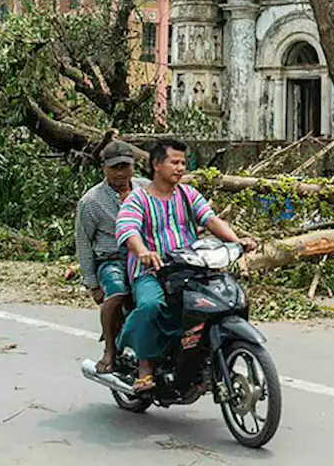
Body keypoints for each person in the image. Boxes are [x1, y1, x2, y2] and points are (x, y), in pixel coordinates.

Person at [115, 139, 254, 393]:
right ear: (157, 165)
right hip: (152, 271)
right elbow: (127, 229)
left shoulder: (188, 194)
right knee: (151, 305)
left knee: (224, 300)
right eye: (174, 162)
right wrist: (143, 251)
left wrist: (238, 242)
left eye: (183, 163)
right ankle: (144, 367)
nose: (180, 168)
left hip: (190, 267)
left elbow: (211, 220)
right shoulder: (137, 199)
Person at [76, 140, 149, 374]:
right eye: (114, 168)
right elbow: (84, 242)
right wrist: (92, 284)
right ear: (104, 168)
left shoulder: (146, 190)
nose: (120, 173)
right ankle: (110, 349)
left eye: (125, 167)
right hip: (112, 259)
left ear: (133, 167)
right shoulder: (91, 202)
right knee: (117, 293)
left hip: (144, 256)